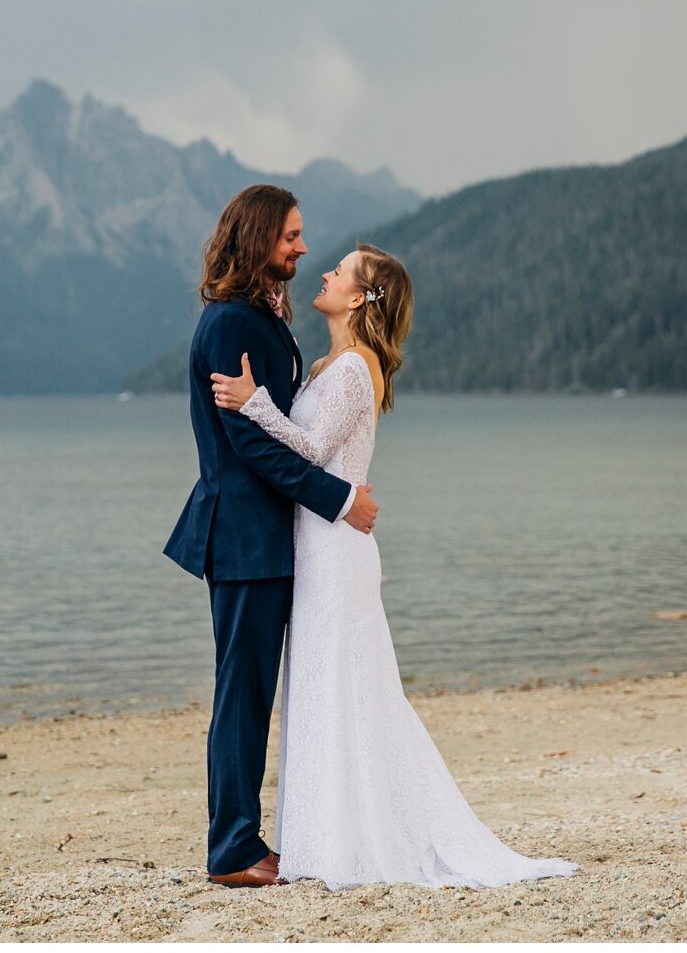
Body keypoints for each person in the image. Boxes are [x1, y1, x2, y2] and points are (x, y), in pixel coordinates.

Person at [209, 243, 579, 890]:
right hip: (319, 541)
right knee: (326, 683)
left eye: (339, 271)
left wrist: (254, 402)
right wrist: (270, 309)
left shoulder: (356, 367)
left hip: (335, 546)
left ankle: (355, 838)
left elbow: (315, 447)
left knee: (347, 685)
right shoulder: (330, 361)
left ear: (356, 297)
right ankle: (325, 836)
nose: (323, 271)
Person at [163, 185, 381, 888]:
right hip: (244, 535)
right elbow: (247, 444)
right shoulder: (228, 324)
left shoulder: (258, 314)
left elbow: (281, 426)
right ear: (259, 237)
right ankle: (231, 848)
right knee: (242, 694)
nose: (302, 247)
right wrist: (338, 499)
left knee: (254, 692)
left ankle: (256, 837)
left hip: (269, 535)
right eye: (291, 235)